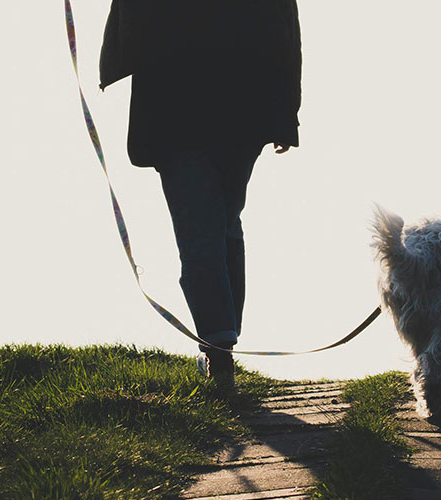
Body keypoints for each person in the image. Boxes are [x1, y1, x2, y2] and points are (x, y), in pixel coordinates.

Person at [99, 0, 302, 386]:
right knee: (220, 223)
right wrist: (285, 115)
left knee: (204, 227)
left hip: (184, 107)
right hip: (240, 106)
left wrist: (285, 115)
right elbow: (285, 28)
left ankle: (219, 348)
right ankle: (220, 344)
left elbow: (284, 25)